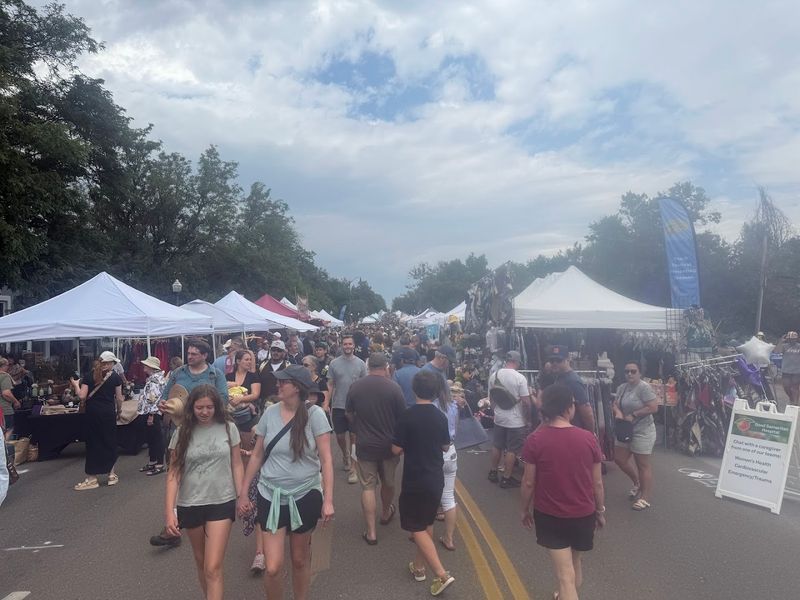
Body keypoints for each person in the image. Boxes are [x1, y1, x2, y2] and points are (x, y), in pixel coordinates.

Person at [237, 365, 334, 600]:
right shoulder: (270, 413)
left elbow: (326, 459)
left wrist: (328, 499)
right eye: (278, 381)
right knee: (272, 566)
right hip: (270, 494)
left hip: (305, 494)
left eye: (284, 382)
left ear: (298, 388)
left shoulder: (315, 415)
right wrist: (243, 493)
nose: (278, 385)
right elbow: (258, 454)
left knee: (300, 560)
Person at [520, 384, 605, 600]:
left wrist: (524, 509)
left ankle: (565, 594)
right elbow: (597, 484)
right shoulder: (589, 438)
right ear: (569, 408)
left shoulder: (535, 440)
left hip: (550, 515)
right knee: (574, 564)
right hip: (583, 514)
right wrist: (600, 511)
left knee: (564, 576)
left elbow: (528, 482)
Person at [165, 385, 243, 600]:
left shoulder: (228, 428)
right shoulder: (182, 433)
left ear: (217, 407)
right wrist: (170, 512)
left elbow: (237, 464)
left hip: (222, 500)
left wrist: (241, 494)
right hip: (190, 503)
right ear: (192, 407)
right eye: (200, 407)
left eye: (209, 407)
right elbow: (173, 474)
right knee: (201, 562)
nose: (205, 412)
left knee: (212, 566)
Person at [150, 340, 228, 547]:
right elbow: (165, 396)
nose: (190, 356)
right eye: (189, 353)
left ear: (204, 355)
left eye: (194, 354)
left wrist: (203, 410)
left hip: (207, 432)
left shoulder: (214, 375)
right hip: (181, 430)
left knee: (202, 475)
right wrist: (165, 405)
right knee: (177, 476)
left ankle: (206, 517)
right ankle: (174, 524)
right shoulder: (178, 374)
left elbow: (223, 400)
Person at [392, 369, 455, 596]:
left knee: (415, 525)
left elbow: (396, 449)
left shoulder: (407, 416)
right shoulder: (440, 416)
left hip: (415, 478)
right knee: (426, 522)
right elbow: (445, 446)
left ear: (413, 389)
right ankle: (419, 567)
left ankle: (441, 574)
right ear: (437, 392)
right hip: (435, 477)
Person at [346, 353, 406, 545]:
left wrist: (357, 427)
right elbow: (402, 418)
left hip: (365, 444)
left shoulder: (356, 387)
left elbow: (348, 413)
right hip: (389, 445)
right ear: (386, 366)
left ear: (369, 366)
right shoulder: (394, 388)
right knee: (388, 482)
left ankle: (371, 532)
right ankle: (386, 512)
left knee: (368, 486)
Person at [70, 353, 124, 490]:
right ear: (109, 363)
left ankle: (92, 477)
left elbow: (82, 396)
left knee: (94, 443)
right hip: (108, 413)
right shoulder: (116, 377)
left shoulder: (89, 376)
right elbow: (119, 398)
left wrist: (76, 385)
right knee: (110, 441)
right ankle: (111, 474)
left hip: (93, 413)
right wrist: (119, 411)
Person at [612, 361, 658, 511]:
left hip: (642, 431)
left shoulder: (644, 388)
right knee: (619, 458)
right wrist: (618, 412)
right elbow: (615, 403)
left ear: (639, 373)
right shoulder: (622, 388)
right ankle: (637, 483)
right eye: (627, 371)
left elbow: (653, 407)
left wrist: (634, 414)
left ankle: (644, 498)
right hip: (626, 429)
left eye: (633, 371)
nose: (629, 374)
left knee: (642, 465)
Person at [487, 350, 533, 489]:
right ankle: (506, 478)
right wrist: (528, 418)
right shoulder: (520, 378)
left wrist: (496, 412)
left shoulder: (494, 376)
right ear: (517, 362)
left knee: (497, 445)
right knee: (512, 449)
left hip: (499, 418)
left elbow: (492, 398)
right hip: (516, 420)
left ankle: (493, 472)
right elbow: (526, 402)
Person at [327, 334, 367, 484]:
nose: (348, 346)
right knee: (339, 436)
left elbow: (364, 385)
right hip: (338, 405)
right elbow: (330, 384)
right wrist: (326, 402)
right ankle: (345, 454)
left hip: (355, 407)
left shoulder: (361, 364)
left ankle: (353, 468)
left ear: (354, 346)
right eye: (345, 344)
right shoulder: (334, 364)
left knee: (354, 438)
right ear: (341, 345)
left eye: (350, 344)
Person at [549, 346, 595, 433]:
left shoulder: (572, 381)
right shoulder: (559, 377)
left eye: (559, 360)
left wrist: (590, 434)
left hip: (573, 431)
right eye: (552, 361)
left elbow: (586, 411)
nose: (554, 363)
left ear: (567, 360)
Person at [226, 349, 262, 447]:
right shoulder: (229, 376)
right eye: (246, 359)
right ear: (238, 361)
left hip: (248, 416)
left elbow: (255, 394)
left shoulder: (253, 376)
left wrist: (240, 399)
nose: (249, 362)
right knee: (232, 442)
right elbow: (223, 391)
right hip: (231, 414)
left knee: (247, 444)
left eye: (250, 359)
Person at [137, 356, 167, 476]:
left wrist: (151, 414)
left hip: (152, 412)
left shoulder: (154, 380)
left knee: (155, 438)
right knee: (152, 438)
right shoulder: (155, 378)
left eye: (146, 365)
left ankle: (159, 464)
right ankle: (153, 461)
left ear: (151, 367)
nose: (144, 367)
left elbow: (153, 398)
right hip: (152, 412)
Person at [258, 339, 290, 404]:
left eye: (279, 350)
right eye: (273, 350)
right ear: (270, 351)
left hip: (282, 403)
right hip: (264, 403)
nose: (276, 352)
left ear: (284, 352)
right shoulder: (262, 365)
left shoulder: (288, 366)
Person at [0, 358, 22, 441]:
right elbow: (6, 393)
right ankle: (3, 451)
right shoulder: (4, 376)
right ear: (4, 366)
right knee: (8, 429)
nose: (8, 367)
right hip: (4, 409)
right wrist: (15, 401)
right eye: (8, 365)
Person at [776, 331, 800, 406]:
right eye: (791, 339)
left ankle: (795, 403)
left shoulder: (799, 346)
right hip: (786, 370)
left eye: (794, 339)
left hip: (797, 371)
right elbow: (777, 352)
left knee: (795, 387)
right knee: (786, 387)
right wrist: (781, 341)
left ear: (797, 339)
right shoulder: (784, 346)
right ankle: (791, 398)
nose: (792, 340)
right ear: (788, 339)